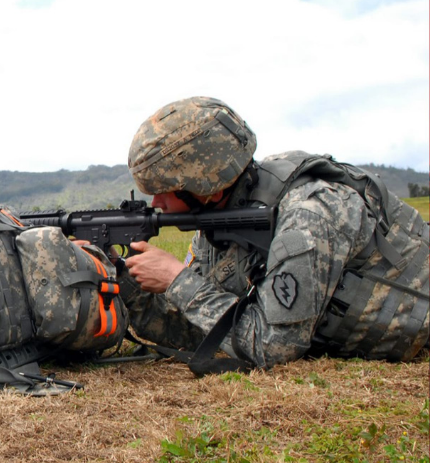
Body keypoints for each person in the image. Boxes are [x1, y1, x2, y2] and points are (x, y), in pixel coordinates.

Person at [117, 96, 429, 371]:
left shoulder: (309, 213)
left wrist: (176, 279)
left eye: (164, 190)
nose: (155, 203)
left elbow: (273, 345)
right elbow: (201, 326)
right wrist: (123, 279)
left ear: (206, 187)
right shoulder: (218, 224)